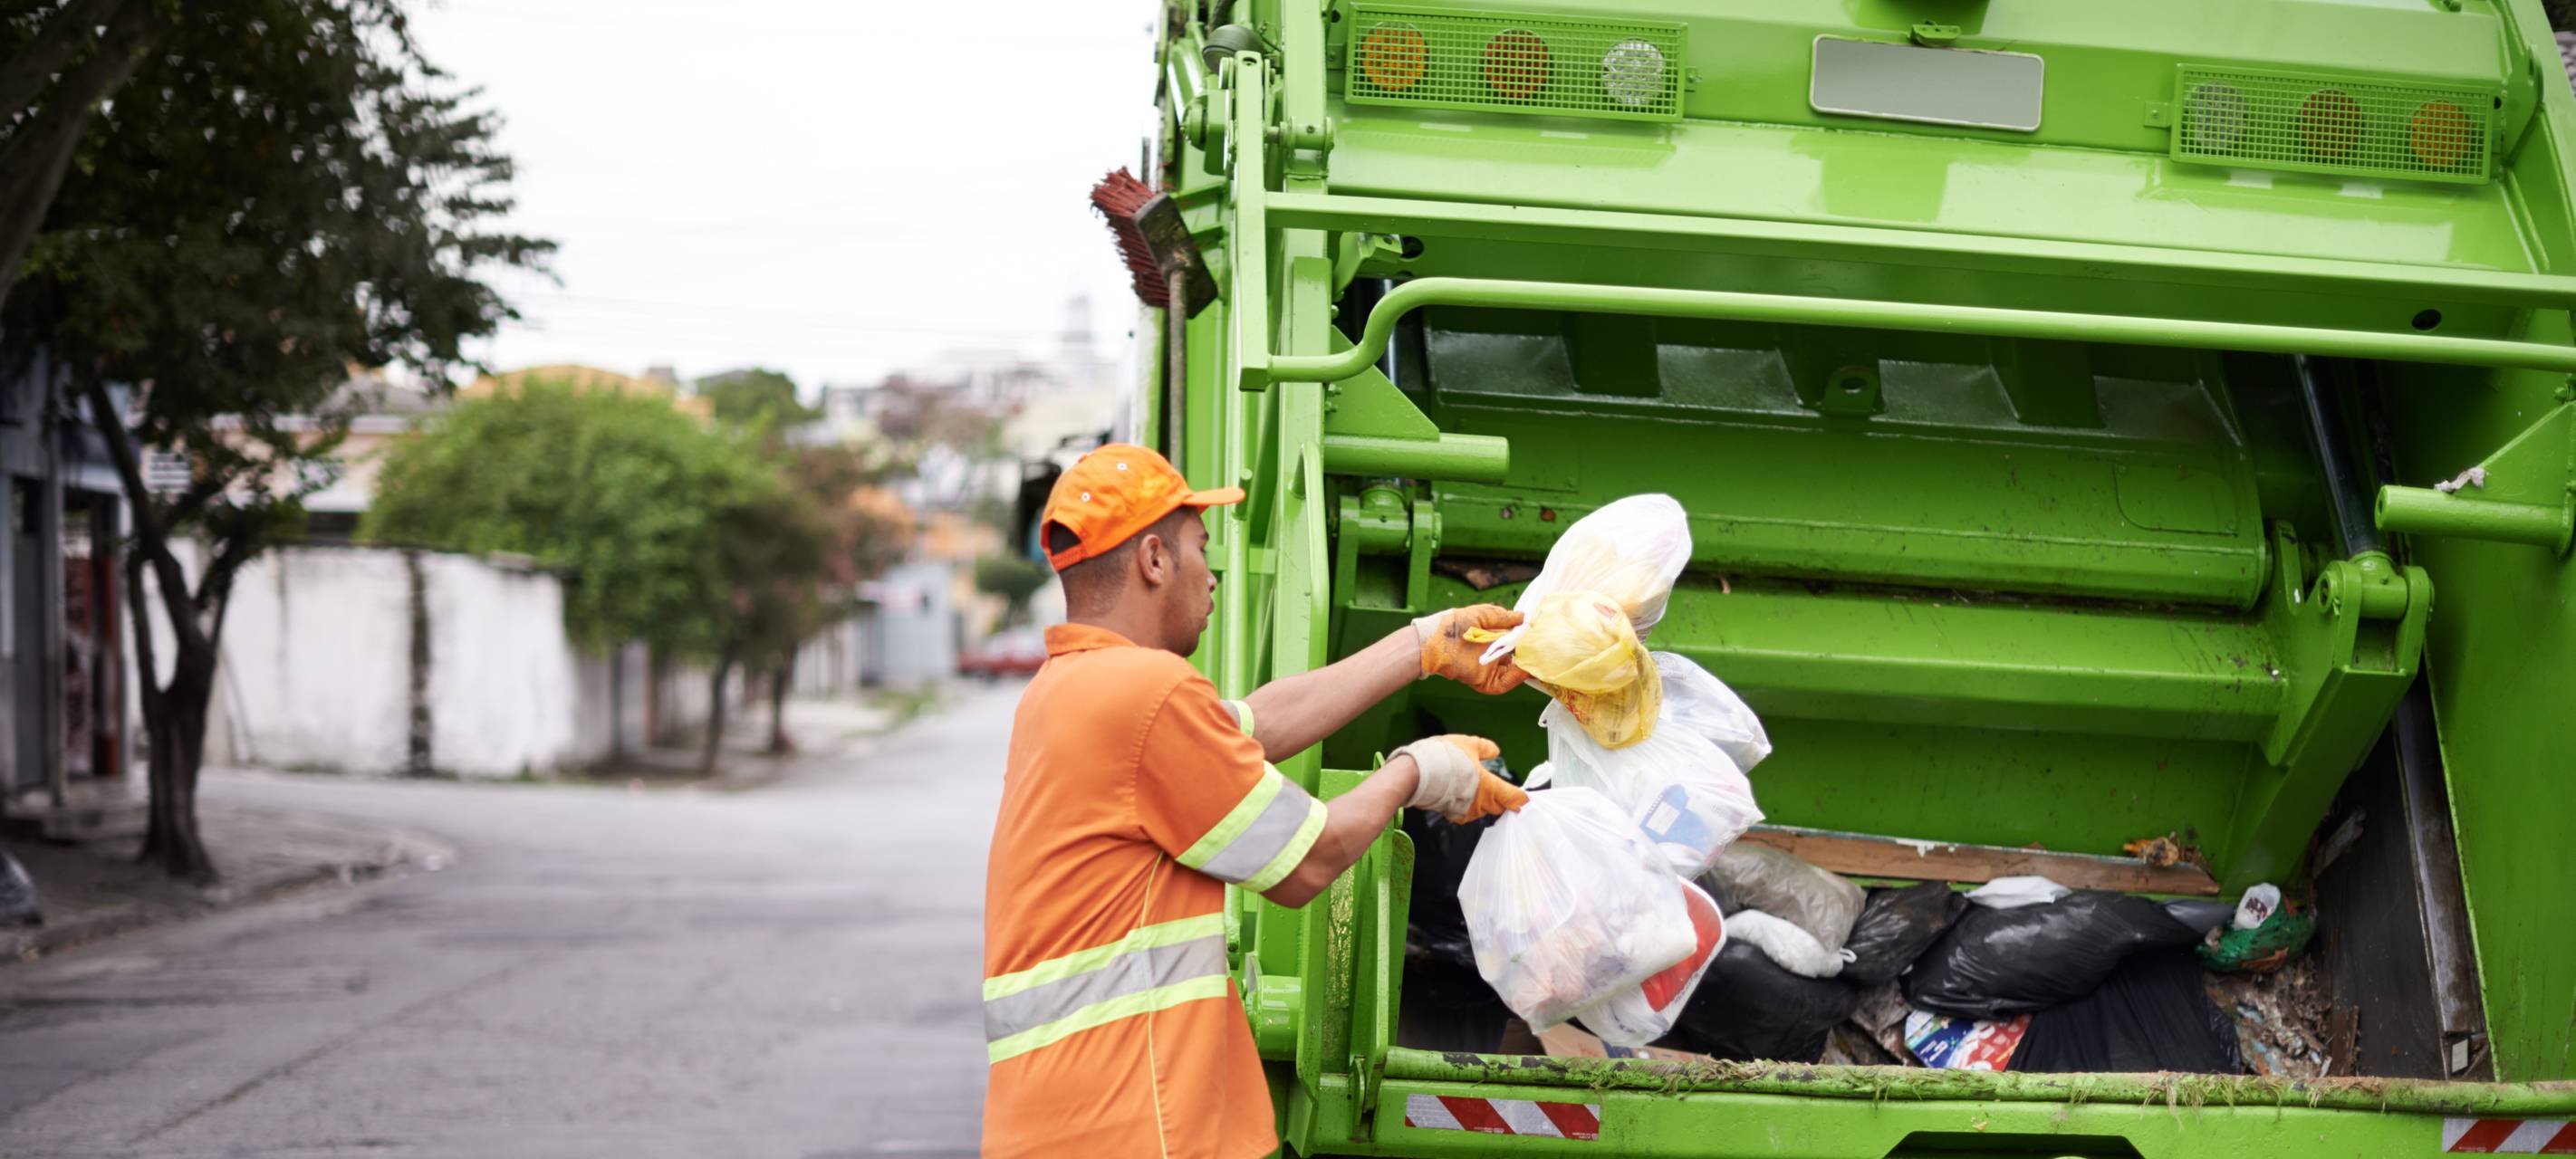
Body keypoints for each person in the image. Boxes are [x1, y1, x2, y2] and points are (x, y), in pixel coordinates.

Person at [981, 444, 1529, 1159]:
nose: (1211, 579)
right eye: (1199, 550)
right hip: (1138, 1121)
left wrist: (1423, 644)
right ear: (1153, 560)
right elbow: (1309, 863)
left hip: (1067, 1119)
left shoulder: (1066, 692)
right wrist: (1418, 771)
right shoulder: (1147, 694)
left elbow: (1256, 725)